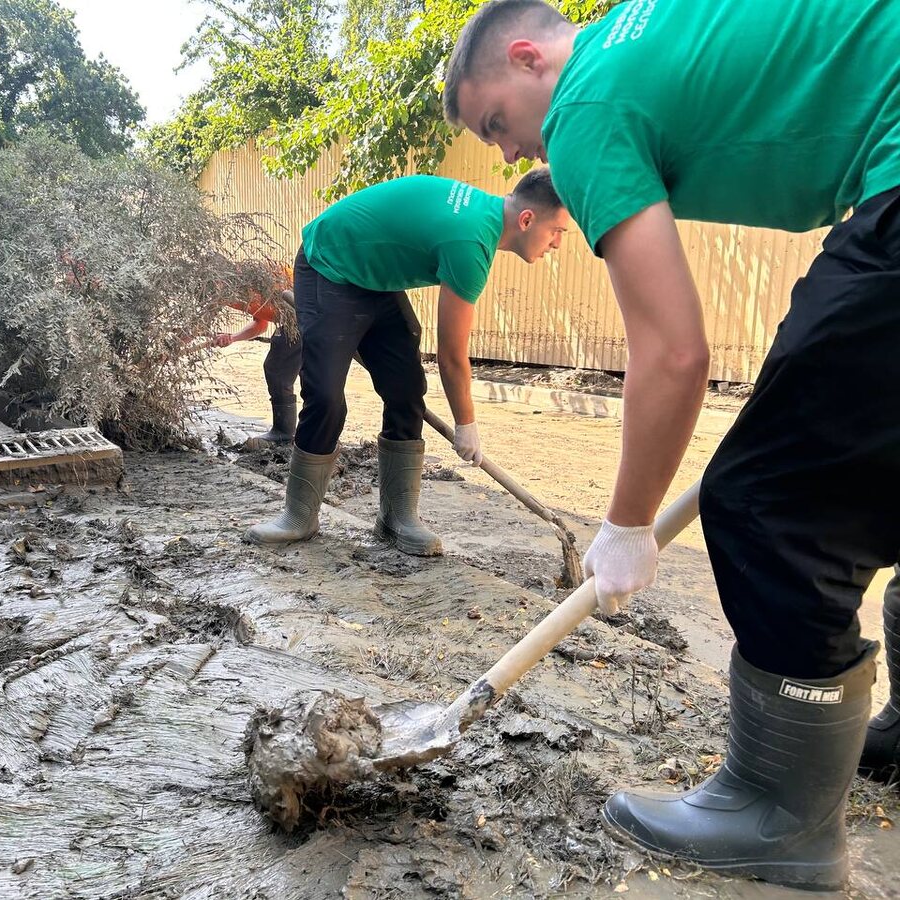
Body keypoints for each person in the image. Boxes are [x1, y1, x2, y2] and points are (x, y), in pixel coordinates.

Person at [443, 0, 900, 890]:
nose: (505, 155)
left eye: (496, 122)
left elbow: (675, 352)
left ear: (532, 58)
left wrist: (624, 525)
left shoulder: (583, 106)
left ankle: (781, 816)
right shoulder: (638, 37)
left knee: (770, 502)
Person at [246, 169, 568, 556]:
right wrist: (466, 425)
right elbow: (451, 356)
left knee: (407, 390)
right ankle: (298, 516)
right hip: (329, 264)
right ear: (527, 219)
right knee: (327, 395)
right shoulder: (469, 241)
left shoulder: (480, 220)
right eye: (558, 231)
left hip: (374, 276)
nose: (558, 244)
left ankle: (397, 517)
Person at [211, 262, 301, 444]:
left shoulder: (254, 279)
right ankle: (289, 432)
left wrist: (170, 350)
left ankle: (283, 433)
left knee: (277, 367)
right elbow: (260, 325)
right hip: (296, 320)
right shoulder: (228, 291)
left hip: (305, 314)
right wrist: (232, 337)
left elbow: (291, 304)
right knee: (279, 368)